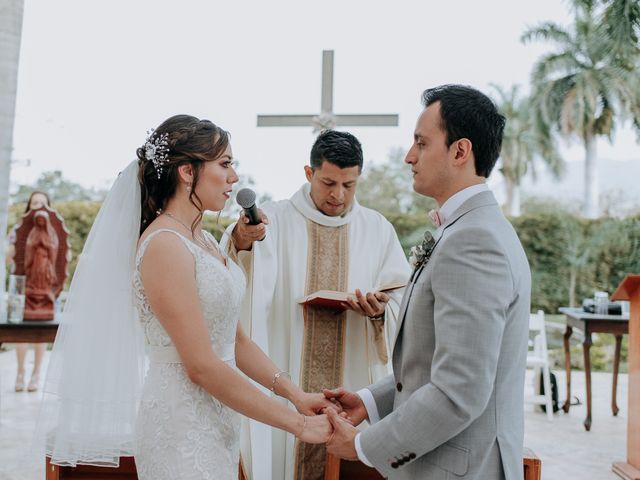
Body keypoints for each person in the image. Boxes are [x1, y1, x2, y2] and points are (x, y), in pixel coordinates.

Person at [38, 115, 337, 480]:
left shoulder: (203, 240)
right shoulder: (164, 244)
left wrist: (295, 395)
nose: (234, 177)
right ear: (186, 171)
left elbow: (236, 340)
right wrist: (298, 426)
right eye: (225, 164)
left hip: (217, 418)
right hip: (180, 426)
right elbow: (200, 365)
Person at [323, 85, 532, 480]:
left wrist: (363, 445)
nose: (409, 156)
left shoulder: (475, 240)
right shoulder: (468, 229)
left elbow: (459, 390)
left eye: (421, 142)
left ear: (459, 151)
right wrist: (369, 401)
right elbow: (434, 360)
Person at [224, 130, 410, 480]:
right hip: (286, 376)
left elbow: (402, 296)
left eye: (348, 185)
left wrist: (381, 310)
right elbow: (235, 273)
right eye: (328, 182)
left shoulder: (378, 229)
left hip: (351, 379)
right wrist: (242, 241)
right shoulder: (274, 220)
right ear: (309, 173)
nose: (338, 195)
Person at [6, 191, 51, 392]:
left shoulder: (52, 230)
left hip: (44, 285)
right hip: (21, 287)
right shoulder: (18, 230)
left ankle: (36, 373)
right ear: (29, 206)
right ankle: (21, 371)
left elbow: (60, 254)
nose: (39, 206)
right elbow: (9, 260)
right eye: (35, 203)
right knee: (21, 332)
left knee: (40, 332)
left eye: (43, 203)